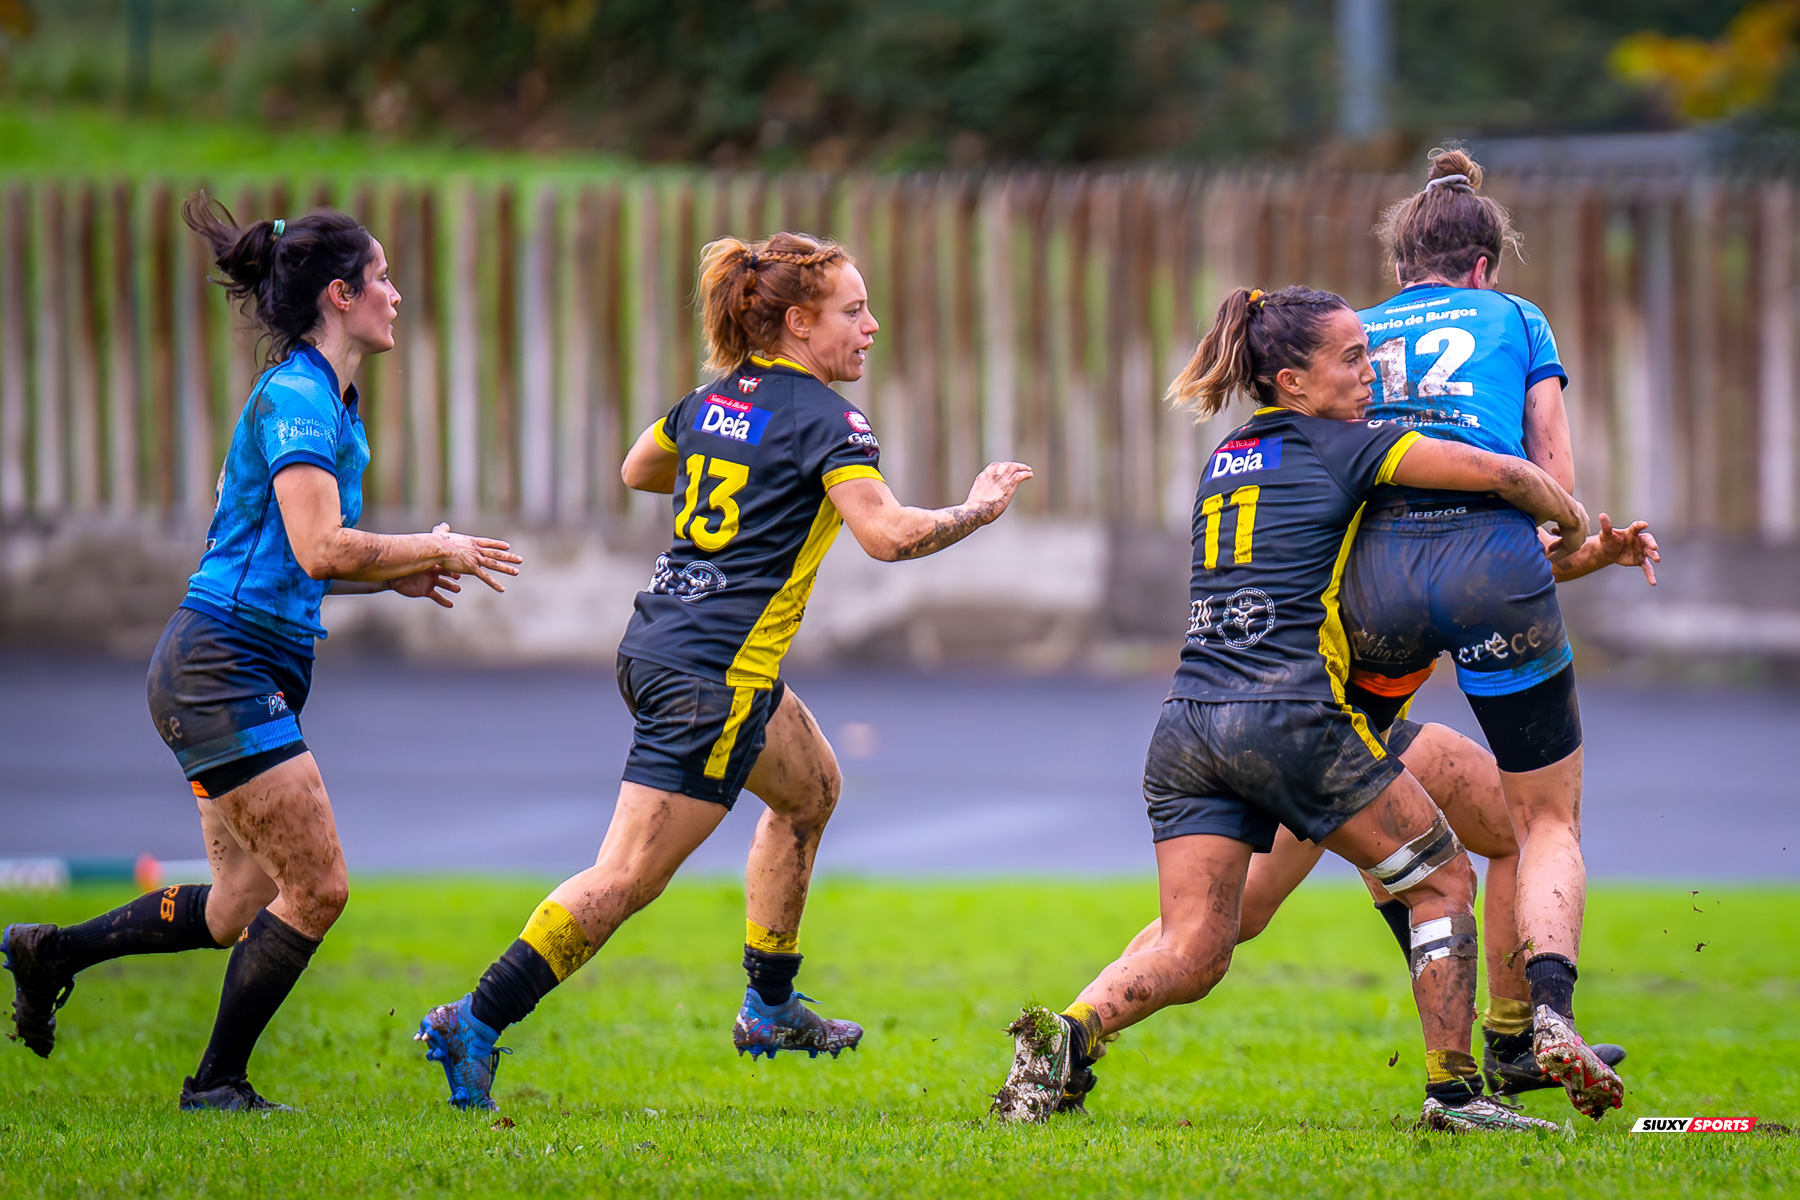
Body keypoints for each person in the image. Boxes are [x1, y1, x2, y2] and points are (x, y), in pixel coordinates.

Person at [416, 231, 1034, 1111]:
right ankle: (474, 1020)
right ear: (797, 322)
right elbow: (889, 537)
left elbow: (640, 467)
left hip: (665, 647)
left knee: (811, 790)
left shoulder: (712, 399)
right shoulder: (830, 419)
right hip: (715, 677)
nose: (872, 327)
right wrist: (976, 509)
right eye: (854, 313)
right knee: (626, 875)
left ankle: (770, 1006)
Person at [990, 285, 1586, 1134]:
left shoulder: (1226, 456)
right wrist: (1568, 520)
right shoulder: (1349, 446)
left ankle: (1067, 1035)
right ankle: (1457, 1096)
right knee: (1442, 878)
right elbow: (1499, 472)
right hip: (1293, 720)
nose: (1371, 369)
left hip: (1191, 721)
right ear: (1292, 382)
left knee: (1195, 946)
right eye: (1351, 357)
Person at [1, 197, 522, 1111]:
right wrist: (431, 549)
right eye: (384, 278)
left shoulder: (329, 400)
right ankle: (216, 1084)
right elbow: (322, 546)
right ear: (340, 294)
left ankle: (50, 952)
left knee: (232, 906)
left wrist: (389, 576)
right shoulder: (294, 398)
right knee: (318, 887)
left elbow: (302, 555)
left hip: (236, 665)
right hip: (221, 668)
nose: (397, 296)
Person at [1113, 514, 1658, 1106]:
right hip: (1321, 733)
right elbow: (1454, 574)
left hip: (1358, 724)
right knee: (1226, 919)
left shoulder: (1385, 464)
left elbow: (1477, 570)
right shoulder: (1376, 453)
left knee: (1504, 831)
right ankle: (1080, 1026)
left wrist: (1583, 553)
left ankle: (1511, 1041)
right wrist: (1546, 499)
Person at [1339, 146, 1628, 1118]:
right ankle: (1546, 1014)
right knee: (1544, 818)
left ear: (1400, 268)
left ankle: (1470, 1029)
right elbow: (1552, 481)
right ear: (1483, 266)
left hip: (1374, 584)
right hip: (1494, 571)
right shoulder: (1515, 318)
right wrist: (1584, 541)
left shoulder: (1359, 330)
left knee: (1372, 798)